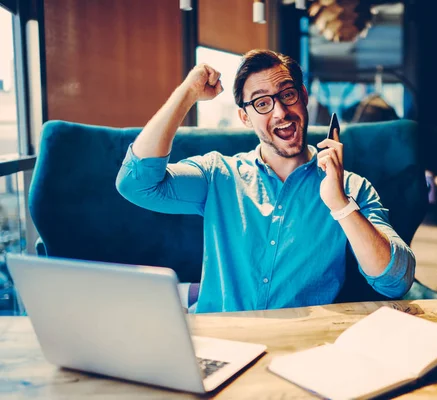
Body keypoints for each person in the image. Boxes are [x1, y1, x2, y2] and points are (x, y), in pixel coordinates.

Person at [116, 49, 415, 313]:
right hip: (220, 341)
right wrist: (187, 93)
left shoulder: (351, 188)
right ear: (245, 118)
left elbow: (395, 281)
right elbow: (135, 183)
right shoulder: (217, 174)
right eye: (261, 104)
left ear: (304, 97)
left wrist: (340, 205)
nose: (281, 112)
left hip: (298, 349)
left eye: (287, 94)